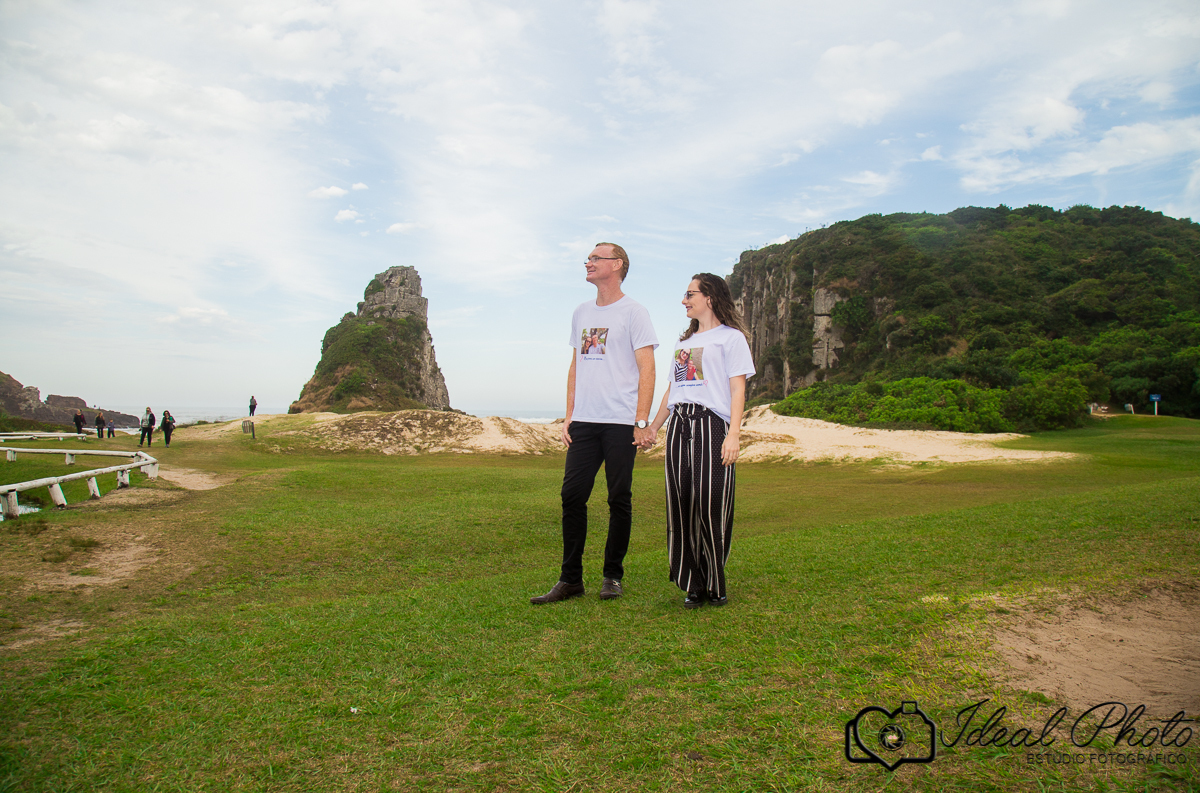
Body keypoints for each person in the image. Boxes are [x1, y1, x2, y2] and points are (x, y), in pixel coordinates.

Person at [531, 243, 658, 604]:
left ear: (616, 265)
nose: (587, 262)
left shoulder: (635, 312)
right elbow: (576, 365)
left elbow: (647, 368)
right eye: (588, 258)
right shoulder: (581, 312)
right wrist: (570, 413)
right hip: (585, 422)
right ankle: (570, 579)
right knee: (572, 497)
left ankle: (612, 576)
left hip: (620, 422)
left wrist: (641, 420)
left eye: (595, 258)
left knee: (619, 498)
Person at [644, 273, 755, 609]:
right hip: (680, 426)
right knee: (680, 503)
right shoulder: (683, 344)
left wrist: (733, 432)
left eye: (690, 294)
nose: (684, 300)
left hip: (712, 426)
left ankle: (714, 582)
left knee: (710, 503)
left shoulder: (731, 339)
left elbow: (738, 388)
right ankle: (692, 584)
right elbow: (673, 391)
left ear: (709, 296)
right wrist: (652, 428)